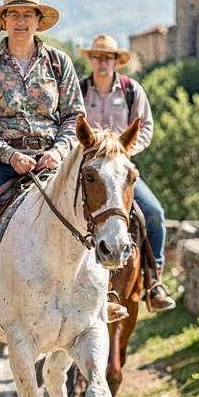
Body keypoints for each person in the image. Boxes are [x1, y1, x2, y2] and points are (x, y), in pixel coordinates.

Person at [0, 0, 127, 329]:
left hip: (52, 161)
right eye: (14, 14)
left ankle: (102, 296)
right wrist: (9, 155)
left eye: (28, 14)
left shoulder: (58, 62)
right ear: (3, 20)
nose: (21, 21)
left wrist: (58, 151)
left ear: (39, 21)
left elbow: (73, 118)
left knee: (93, 211)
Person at [77, 34, 176, 312]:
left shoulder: (132, 90)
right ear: (91, 60)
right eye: (97, 56)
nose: (102, 62)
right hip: (87, 170)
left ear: (116, 61)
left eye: (107, 57)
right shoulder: (79, 90)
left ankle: (154, 280)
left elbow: (145, 128)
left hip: (120, 169)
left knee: (154, 213)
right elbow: (67, 124)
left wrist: (125, 151)